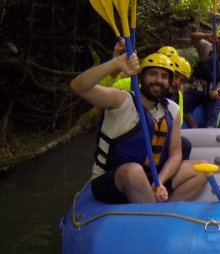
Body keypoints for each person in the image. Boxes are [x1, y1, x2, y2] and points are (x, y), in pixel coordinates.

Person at [70, 51, 206, 204]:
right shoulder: (121, 100)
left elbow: (175, 154)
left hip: (151, 178)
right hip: (115, 180)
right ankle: (152, 216)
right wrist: (116, 63)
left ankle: (165, 212)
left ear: (169, 82)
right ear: (141, 77)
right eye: (153, 74)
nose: (158, 80)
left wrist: (159, 182)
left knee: (202, 169)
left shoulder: (172, 109)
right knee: (134, 171)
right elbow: (79, 86)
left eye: (164, 76)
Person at [183, 28, 220, 127]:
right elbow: (193, 36)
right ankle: (194, 127)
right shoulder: (207, 47)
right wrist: (206, 36)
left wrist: (217, 90)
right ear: (216, 39)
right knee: (183, 102)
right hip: (199, 88)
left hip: (216, 91)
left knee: (212, 115)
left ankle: (210, 130)